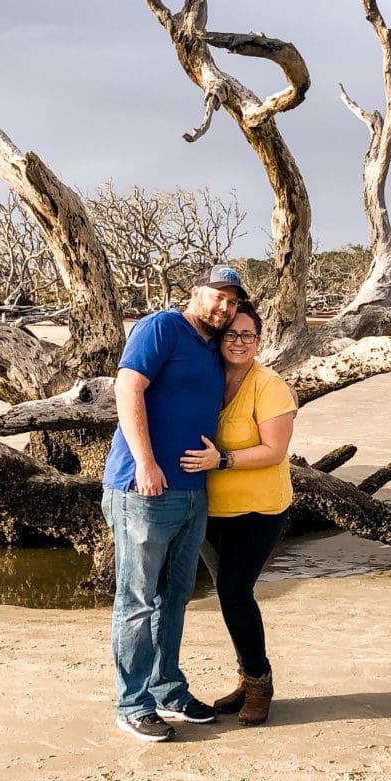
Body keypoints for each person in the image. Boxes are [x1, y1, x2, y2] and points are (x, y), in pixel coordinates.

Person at [102, 264, 249, 742]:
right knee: (138, 600)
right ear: (195, 292)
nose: (224, 307)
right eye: (217, 297)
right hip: (142, 488)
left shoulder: (211, 349)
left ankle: (167, 688)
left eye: (232, 302)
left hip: (191, 494)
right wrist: (145, 462)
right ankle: (132, 704)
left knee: (175, 599)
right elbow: (128, 388)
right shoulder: (161, 326)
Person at [179, 300, 296, 726]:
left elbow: (274, 450)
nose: (239, 341)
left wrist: (221, 461)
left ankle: (261, 682)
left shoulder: (270, 386)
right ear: (219, 337)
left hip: (260, 508)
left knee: (233, 591)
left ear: (259, 341)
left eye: (248, 335)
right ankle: (246, 680)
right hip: (212, 509)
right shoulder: (209, 378)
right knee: (230, 597)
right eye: (232, 333)